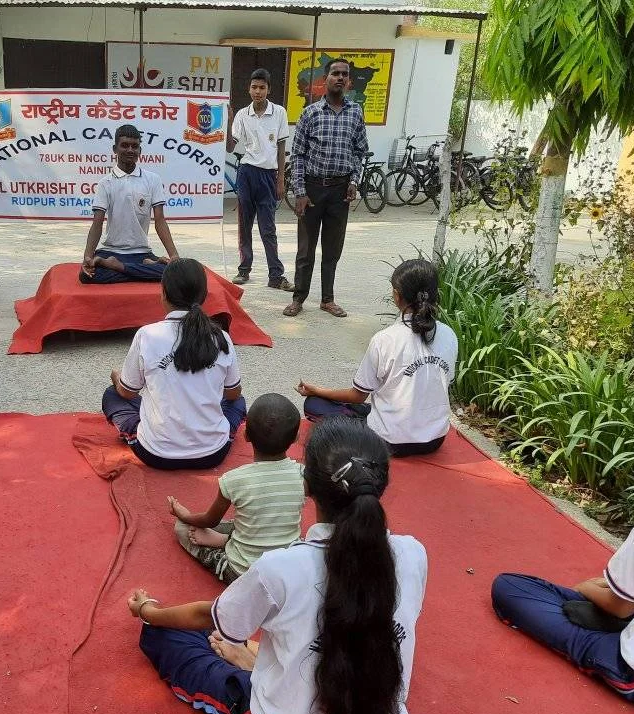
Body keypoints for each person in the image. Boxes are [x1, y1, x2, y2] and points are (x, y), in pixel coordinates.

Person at [127, 417, 427, 714]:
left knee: (169, 634)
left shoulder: (282, 568)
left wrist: (148, 611)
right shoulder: (413, 554)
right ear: (380, 484)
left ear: (307, 486)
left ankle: (254, 665)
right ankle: (257, 660)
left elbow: (205, 616)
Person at [297, 259, 458, 458]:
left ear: (396, 295)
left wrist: (317, 390)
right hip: (435, 439)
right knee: (372, 406)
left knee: (314, 405)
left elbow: (358, 396)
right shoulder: (449, 334)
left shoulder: (385, 339)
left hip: (389, 441)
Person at [102, 257, 246, 470]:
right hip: (213, 453)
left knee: (112, 395)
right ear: (205, 296)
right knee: (238, 402)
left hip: (156, 454)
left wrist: (117, 379)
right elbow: (233, 395)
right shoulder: (221, 337)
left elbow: (127, 393)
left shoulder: (147, 335)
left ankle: (145, 434)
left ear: (163, 294)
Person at [491, 521, 634, 705]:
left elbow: (619, 608)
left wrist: (585, 588)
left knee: (509, 586)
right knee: (580, 606)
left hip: (630, 666)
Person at [168, 393, 303, 583]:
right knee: (262, 522)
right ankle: (227, 540)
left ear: (245, 435)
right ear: (296, 437)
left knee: (182, 528)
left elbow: (209, 520)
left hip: (242, 573)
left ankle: (226, 543)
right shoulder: (303, 474)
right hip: (286, 570)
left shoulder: (233, 479)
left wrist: (184, 515)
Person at [285, 58, 368, 319]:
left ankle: (327, 299)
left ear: (349, 80)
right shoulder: (310, 113)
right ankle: (298, 298)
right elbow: (297, 155)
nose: (340, 77)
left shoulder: (356, 112)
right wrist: (300, 192)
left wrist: (354, 181)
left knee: (332, 249)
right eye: (335, 73)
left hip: (340, 191)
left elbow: (359, 151)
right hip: (312, 190)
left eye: (344, 74)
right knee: (305, 249)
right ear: (325, 79)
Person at [80, 124, 180, 284]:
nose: (130, 150)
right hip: (111, 251)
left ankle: (118, 267)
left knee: (174, 272)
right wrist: (87, 257)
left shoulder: (152, 179)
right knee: (87, 275)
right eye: (125, 145)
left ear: (140, 150)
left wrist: (174, 255)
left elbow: (160, 220)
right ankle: (144, 267)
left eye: (135, 146)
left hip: (141, 253)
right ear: (115, 149)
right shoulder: (105, 183)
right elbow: (97, 223)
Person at [227, 69, 293, 292]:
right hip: (246, 173)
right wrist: (227, 123)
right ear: (249, 89)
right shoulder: (242, 115)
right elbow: (230, 147)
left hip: (268, 176)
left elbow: (281, 147)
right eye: (254, 87)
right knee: (244, 225)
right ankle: (244, 269)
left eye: (262, 87)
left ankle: (276, 275)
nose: (257, 91)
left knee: (268, 229)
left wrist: (280, 179)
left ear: (268, 90)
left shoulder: (279, 112)